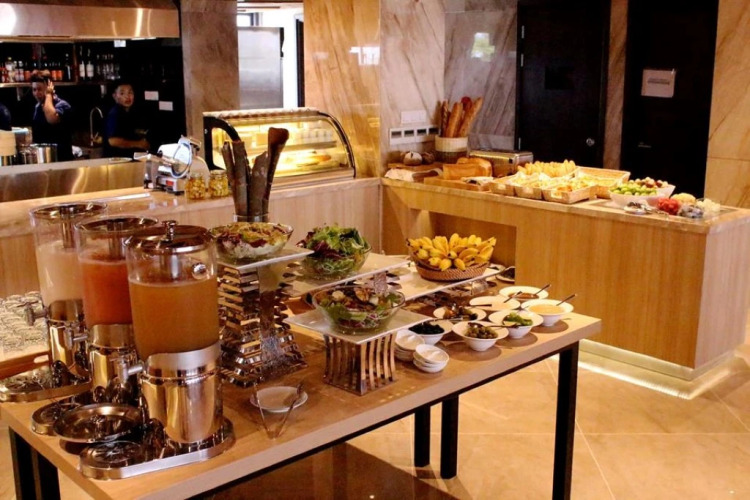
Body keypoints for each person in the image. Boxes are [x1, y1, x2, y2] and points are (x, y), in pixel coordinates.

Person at [30, 70, 73, 161]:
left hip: (61, 161)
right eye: (34, 90)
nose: (36, 93)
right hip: (43, 159)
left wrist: (49, 94)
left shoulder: (62, 105)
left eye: (39, 89)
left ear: (49, 86)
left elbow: (51, 119)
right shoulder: (37, 108)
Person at [103, 80, 150, 158]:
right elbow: (113, 141)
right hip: (116, 160)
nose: (127, 97)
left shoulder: (131, 113)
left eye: (130, 93)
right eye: (122, 93)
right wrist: (138, 144)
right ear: (114, 96)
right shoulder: (114, 114)